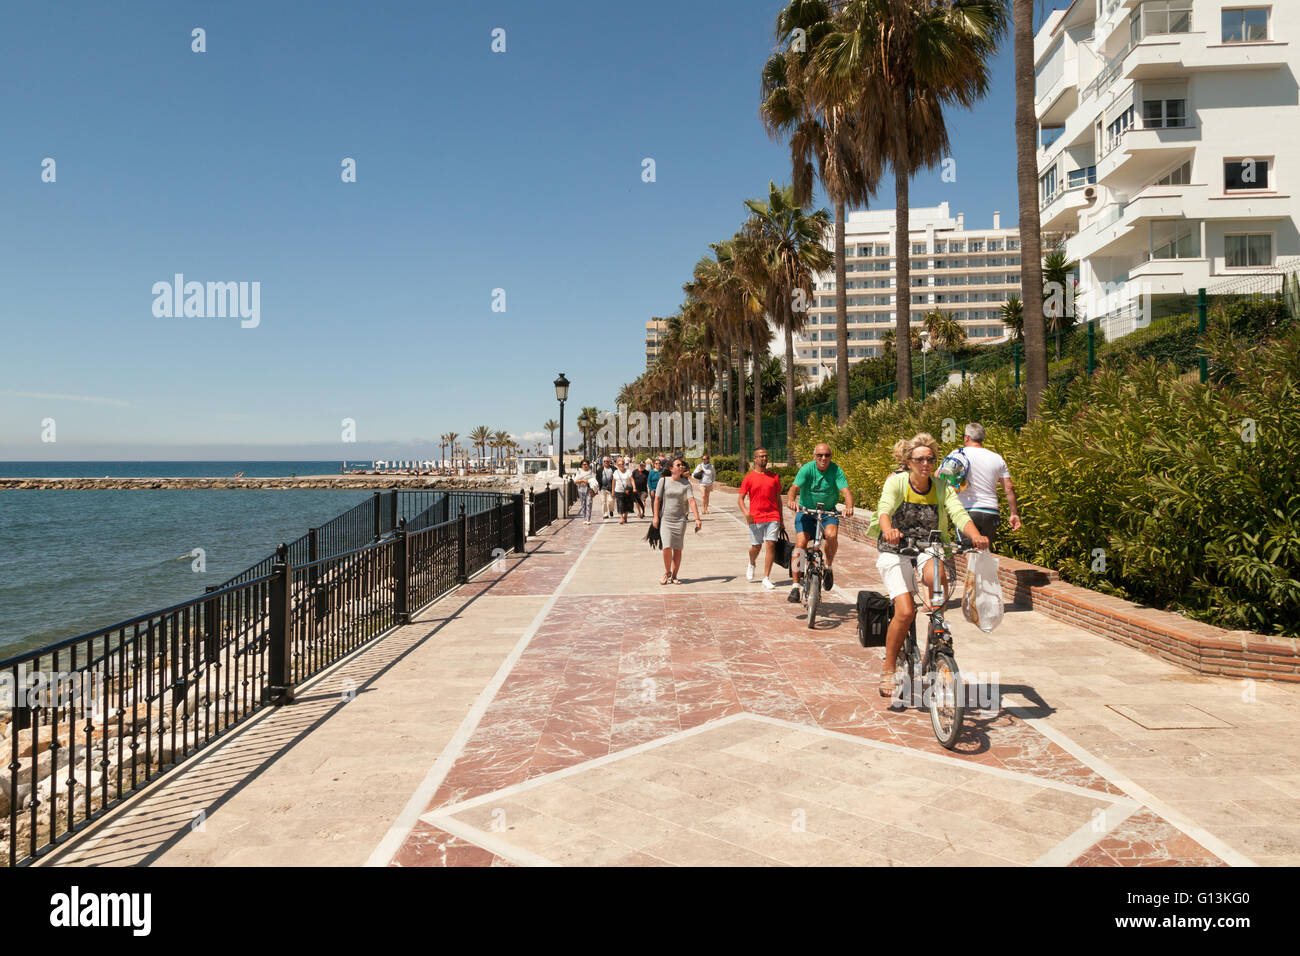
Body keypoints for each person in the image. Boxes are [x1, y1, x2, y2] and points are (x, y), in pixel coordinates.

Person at [874, 433, 989, 699]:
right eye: (920, 459)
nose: (925, 464)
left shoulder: (941, 486)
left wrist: (975, 536)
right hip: (895, 548)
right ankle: (889, 666)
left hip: (929, 545)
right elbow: (884, 509)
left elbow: (958, 512)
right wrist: (888, 529)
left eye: (930, 459)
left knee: (937, 573)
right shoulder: (897, 482)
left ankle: (937, 632)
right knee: (904, 612)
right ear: (908, 461)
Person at [786, 443, 854, 604]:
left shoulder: (836, 470)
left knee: (831, 535)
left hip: (827, 513)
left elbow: (846, 491)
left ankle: (828, 567)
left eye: (827, 455)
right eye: (820, 455)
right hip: (806, 512)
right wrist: (791, 500)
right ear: (814, 456)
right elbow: (794, 488)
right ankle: (795, 586)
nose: (823, 458)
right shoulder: (807, 469)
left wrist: (849, 507)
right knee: (800, 544)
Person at [947, 422, 1022, 552]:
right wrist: (1014, 513)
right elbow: (1009, 487)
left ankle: (973, 573)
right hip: (991, 512)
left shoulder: (958, 454)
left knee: (968, 553)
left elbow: (940, 476)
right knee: (984, 552)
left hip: (967, 512)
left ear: (966, 438)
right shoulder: (997, 458)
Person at [737, 449, 783, 590]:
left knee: (770, 544)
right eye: (761, 456)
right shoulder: (749, 477)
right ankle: (752, 562)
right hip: (755, 517)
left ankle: (766, 577)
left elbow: (778, 499)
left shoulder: (774, 476)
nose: (764, 458)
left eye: (765, 456)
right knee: (756, 547)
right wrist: (746, 513)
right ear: (755, 459)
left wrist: (781, 519)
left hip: (772, 516)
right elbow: (740, 499)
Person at [652, 456, 702, 584]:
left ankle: (674, 575)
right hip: (666, 520)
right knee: (666, 547)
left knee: (678, 549)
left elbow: (691, 500)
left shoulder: (686, 484)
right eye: (678, 465)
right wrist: (656, 517)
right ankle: (667, 572)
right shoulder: (663, 481)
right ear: (671, 468)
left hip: (680, 520)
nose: (681, 467)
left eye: (681, 465)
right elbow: (657, 499)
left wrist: (697, 518)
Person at [573, 459, 595, 525]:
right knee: (583, 504)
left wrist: (587, 481)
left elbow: (594, 481)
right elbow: (575, 481)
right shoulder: (579, 472)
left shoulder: (591, 472)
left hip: (589, 489)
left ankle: (588, 519)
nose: (585, 466)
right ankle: (585, 518)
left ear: (588, 465)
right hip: (581, 490)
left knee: (589, 503)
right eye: (583, 464)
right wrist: (582, 480)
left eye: (586, 464)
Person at [613, 458, 634, 524]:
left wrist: (634, 487)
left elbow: (632, 479)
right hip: (618, 490)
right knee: (620, 504)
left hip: (627, 490)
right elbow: (613, 482)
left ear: (624, 464)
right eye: (619, 464)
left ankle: (625, 516)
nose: (621, 465)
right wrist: (612, 491)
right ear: (617, 465)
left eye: (622, 464)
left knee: (627, 504)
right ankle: (621, 517)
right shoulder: (616, 472)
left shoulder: (628, 471)